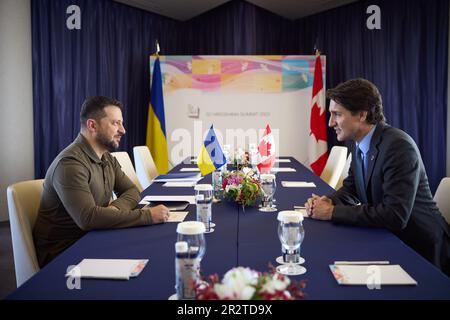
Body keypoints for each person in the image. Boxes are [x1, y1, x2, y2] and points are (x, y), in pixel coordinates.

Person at [305, 78, 450, 276]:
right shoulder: (359, 142)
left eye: (337, 114)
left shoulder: (398, 147)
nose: (331, 122)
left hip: (418, 251)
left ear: (362, 115)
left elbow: (395, 215)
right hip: (387, 237)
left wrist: (332, 212)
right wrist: (326, 201)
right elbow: (352, 188)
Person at [33, 96, 169, 267]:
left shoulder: (106, 157)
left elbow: (132, 191)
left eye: (121, 123)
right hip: (65, 256)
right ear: (92, 125)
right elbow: (89, 219)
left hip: (95, 237)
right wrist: (148, 215)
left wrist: (113, 209)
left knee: (154, 249)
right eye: (115, 123)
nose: (123, 130)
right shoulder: (70, 164)